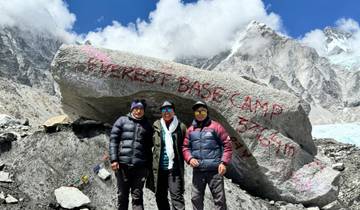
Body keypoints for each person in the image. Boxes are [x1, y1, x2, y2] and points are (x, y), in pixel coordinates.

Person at [182, 101, 232, 210]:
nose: (200, 114)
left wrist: (224, 163)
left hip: (215, 170)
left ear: (207, 112)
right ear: (194, 113)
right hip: (198, 170)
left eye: (202, 111)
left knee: (219, 200)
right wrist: (190, 159)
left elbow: (227, 145)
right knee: (195, 198)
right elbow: (185, 148)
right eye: (197, 112)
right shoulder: (190, 130)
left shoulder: (216, 127)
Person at [109, 99, 153, 210]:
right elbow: (113, 141)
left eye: (141, 109)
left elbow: (150, 147)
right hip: (123, 166)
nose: (138, 111)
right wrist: (114, 160)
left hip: (140, 168)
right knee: (122, 196)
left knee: (137, 197)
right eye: (136, 108)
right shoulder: (122, 121)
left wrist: (148, 167)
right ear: (132, 109)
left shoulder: (147, 125)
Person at [147, 101, 187, 210]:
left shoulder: (181, 127)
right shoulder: (156, 126)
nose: (166, 112)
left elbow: (186, 146)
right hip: (159, 169)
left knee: (177, 197)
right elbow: (148, 143)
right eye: (164, 110)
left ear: (173, 111)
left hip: (174, 169)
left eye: (169, 109)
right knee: (160, 196)